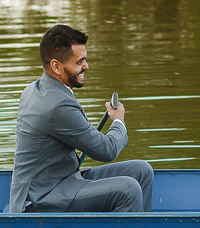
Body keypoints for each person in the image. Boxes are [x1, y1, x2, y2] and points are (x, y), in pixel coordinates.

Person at [9, 24, 153, 214]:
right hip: (43, 198)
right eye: (79, 62)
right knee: (128, 190)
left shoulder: (37, 88)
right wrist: (118, 121)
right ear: (56, 66)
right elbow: (106, 150)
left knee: (142, 171)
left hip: (63, 179)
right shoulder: (57, 105)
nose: (86, 66)